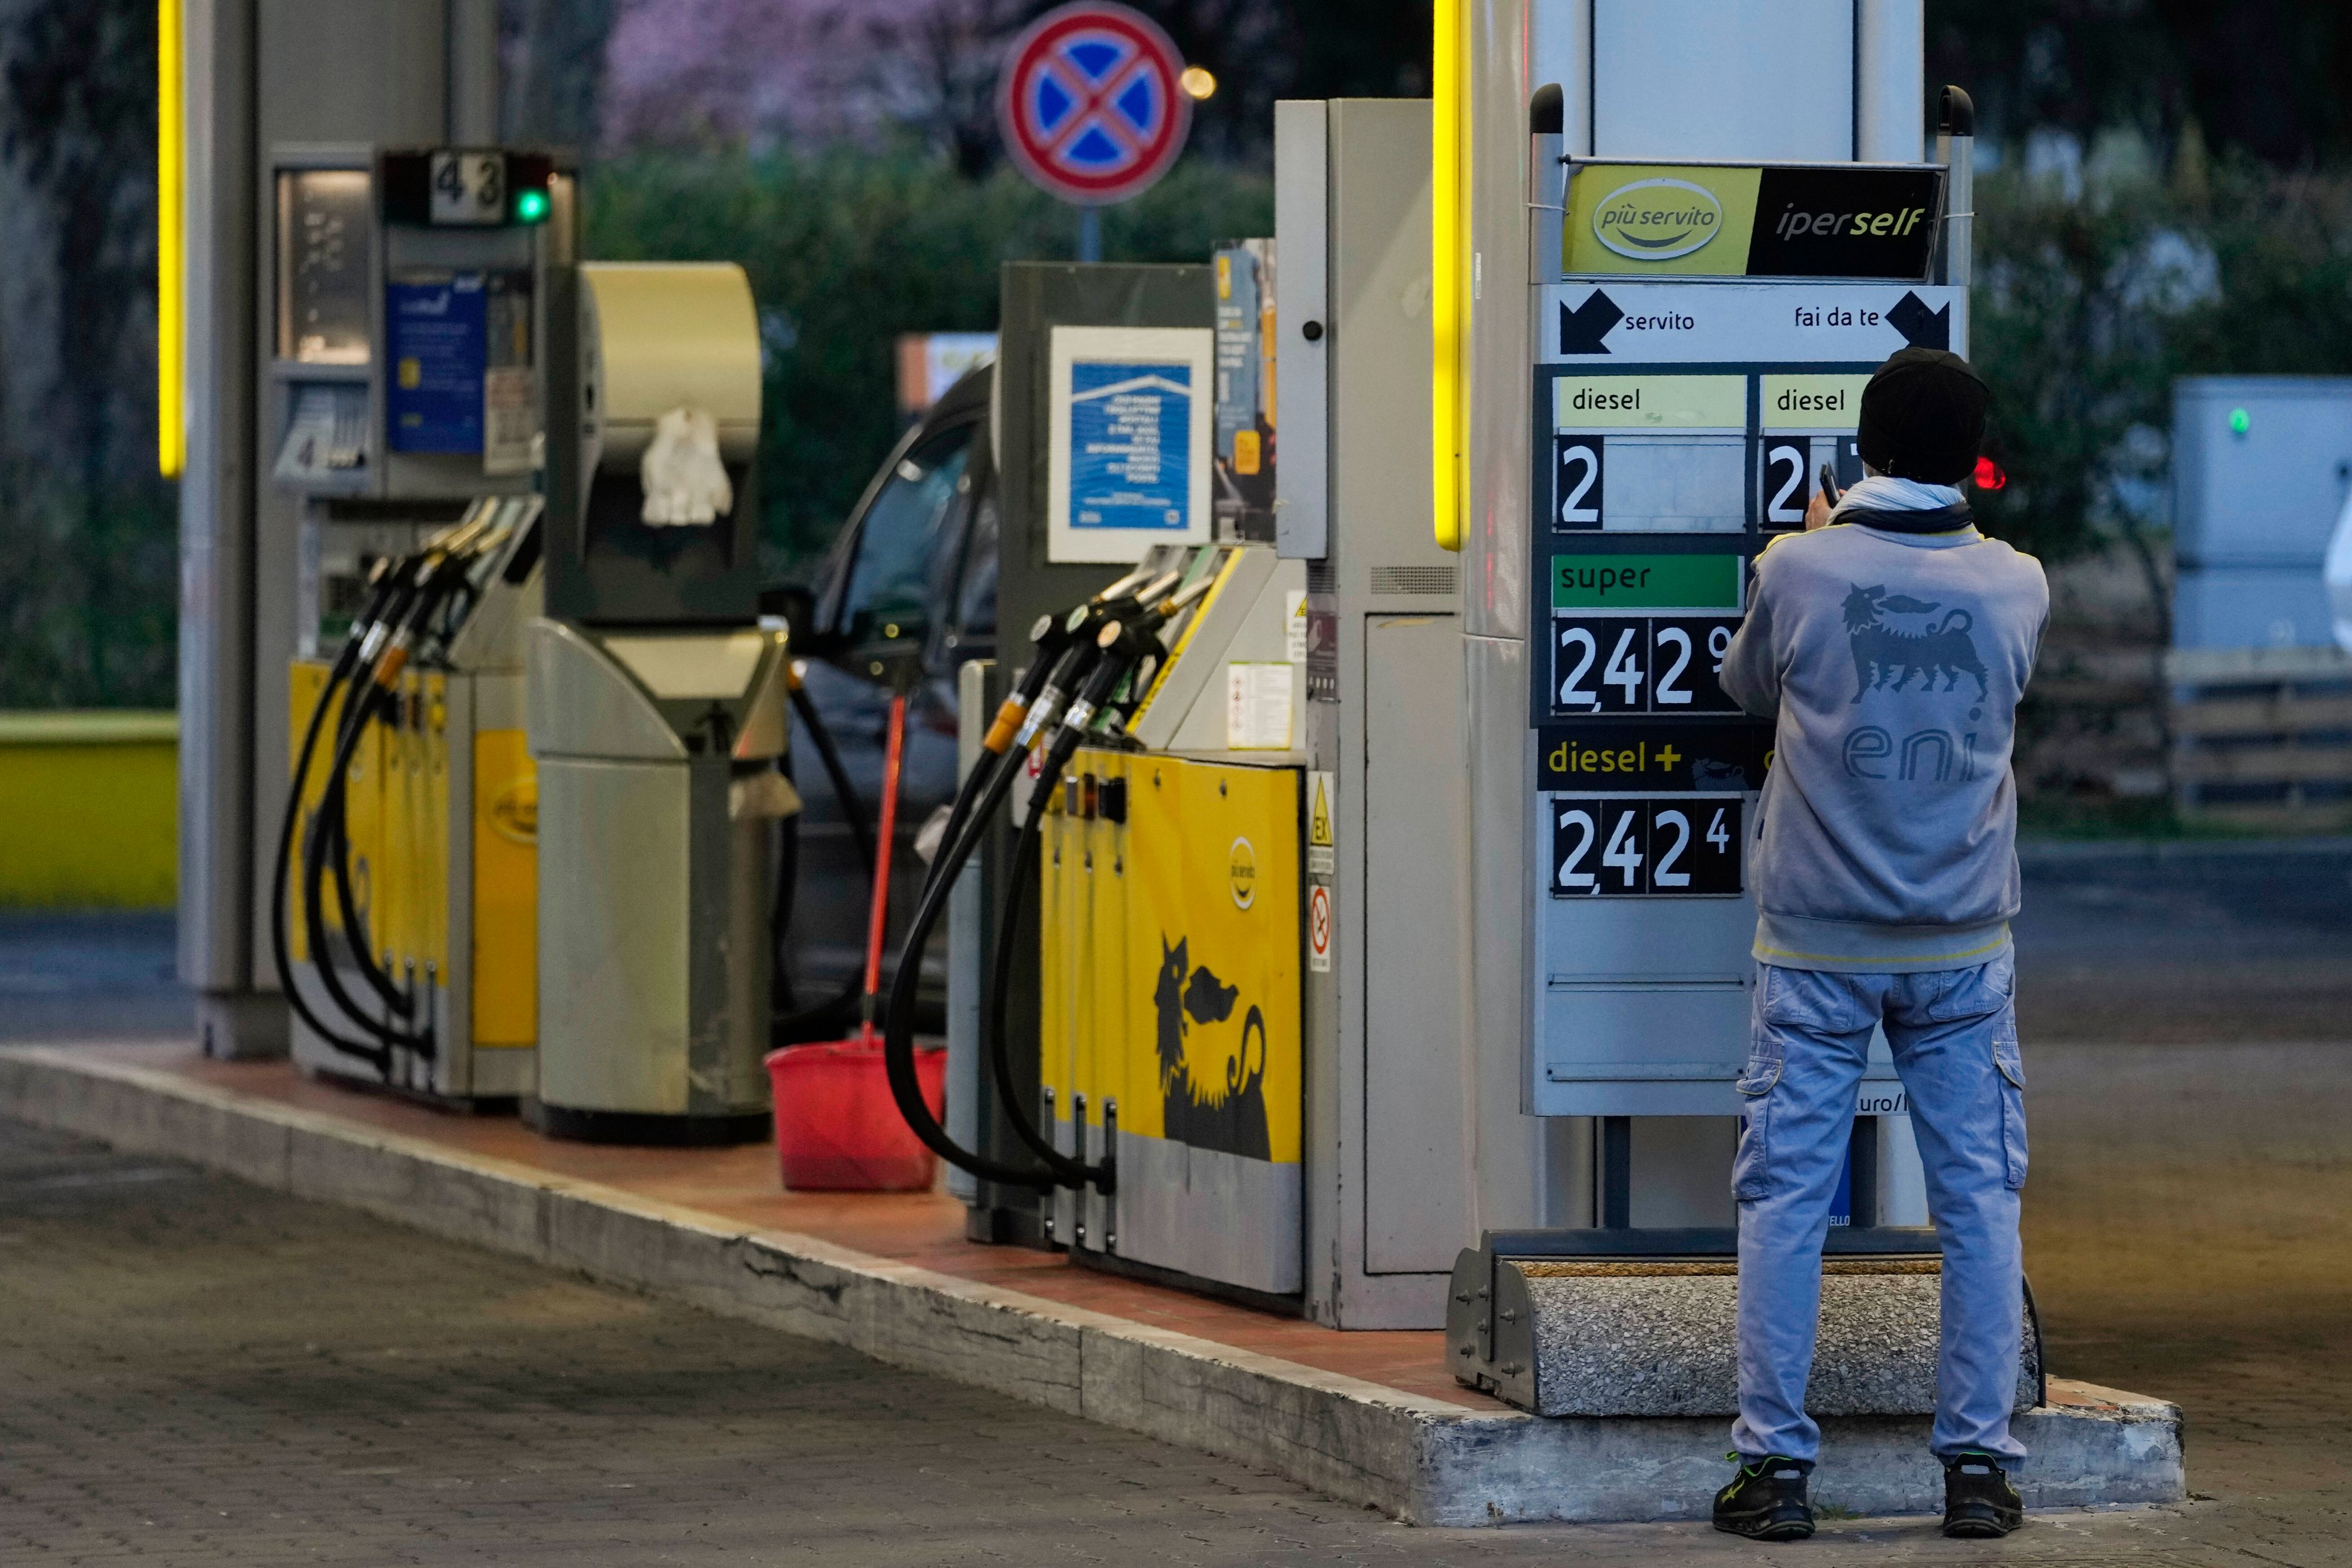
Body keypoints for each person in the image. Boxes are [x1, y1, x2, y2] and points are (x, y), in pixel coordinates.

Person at [1709, 347, 2049, 1542]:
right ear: (1973, 457)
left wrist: (1810, 538)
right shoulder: (2018, 584)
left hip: (1812, 949)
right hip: (1964, 946)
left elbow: (1745, 683)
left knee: (1784, 1200)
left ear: (1864, 447)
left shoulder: (1797, 568)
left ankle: (1773, 1472)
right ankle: (1977, 1466)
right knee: (1979, 1200)